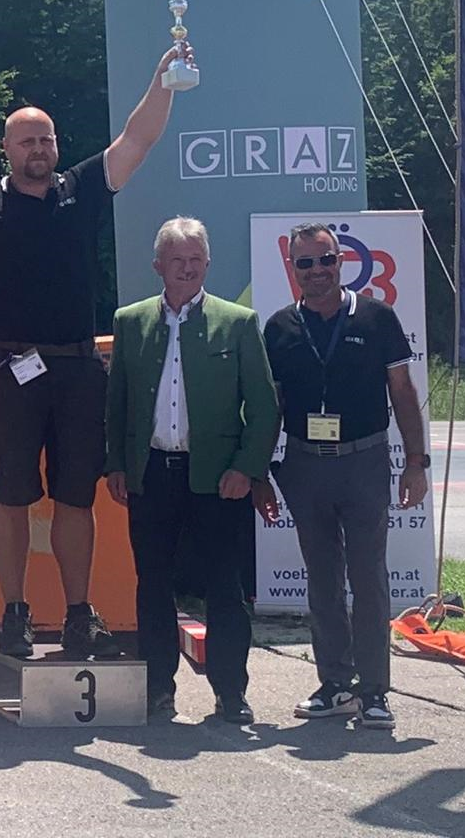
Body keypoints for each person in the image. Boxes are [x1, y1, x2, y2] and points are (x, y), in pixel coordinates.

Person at [0, 42, 192, 659]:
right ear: (7, 150)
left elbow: (139, 138)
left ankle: (80, 613)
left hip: (79, 366)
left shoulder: (82, 187)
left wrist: (163, 80)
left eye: (46, 140)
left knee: (76, 496)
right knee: (10, 494)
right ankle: (16, 613)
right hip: (7, 364)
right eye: (27, 142)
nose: (40, 150)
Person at [105, 218, 279, 722]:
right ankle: (158, 687)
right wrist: (116, 463)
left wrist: (247, 468)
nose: (187, 269)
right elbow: (116, 403)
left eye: (196, 260)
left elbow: (264, 408)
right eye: (177, 260)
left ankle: (230, 692)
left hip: (218, 479)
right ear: (159, 265)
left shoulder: (239, 322)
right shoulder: (129, 321)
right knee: (152, 583)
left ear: (208, 264)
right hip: (150, 474)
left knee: (225, 586)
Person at [257, 221, 428, 731]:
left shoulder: (377, 317)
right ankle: (335, 684)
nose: (316, 272)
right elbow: (272, 406)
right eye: (304, 263)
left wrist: (415, 463)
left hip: (365, 461)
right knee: (322, 578)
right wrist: (261, 473)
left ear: (342, 262)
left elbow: (402, 393)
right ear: (292, 268)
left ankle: (375, 691)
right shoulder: (280, 327)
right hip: (305, 463)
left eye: (325, 260)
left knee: (369, 577)